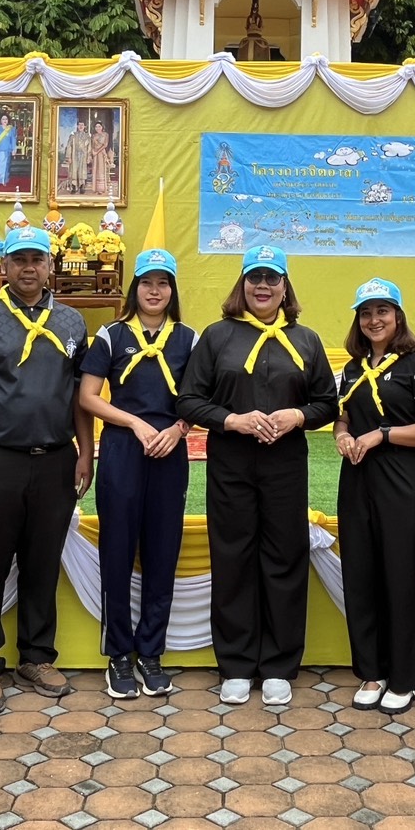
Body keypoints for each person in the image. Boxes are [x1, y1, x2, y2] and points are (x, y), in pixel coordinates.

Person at [177, 244, 338, 707]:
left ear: (285, 287)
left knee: (284, 557)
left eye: (272, 278)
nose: (263, 286)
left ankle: (280, 665)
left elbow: (327, 403)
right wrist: (233, 420)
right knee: (233, 557)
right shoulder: (217, 336)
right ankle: (236, 663)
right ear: (242, 284)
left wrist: (297, 416)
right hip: (230, 463)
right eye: (255, 278)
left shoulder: (306, 340)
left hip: (285, 464)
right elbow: (189, 399)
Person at [0, 226, 95, 714]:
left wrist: (86, 450)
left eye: (37, 259)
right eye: (19, 260)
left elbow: (79, 395)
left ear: (50, 266)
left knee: (42, 562)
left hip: (55, 459)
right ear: (4, 267)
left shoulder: (72, 321)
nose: (29, 268)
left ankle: (36, 656)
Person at [78, 249, 199, 699]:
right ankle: (118, 654)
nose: (154, 291)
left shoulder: (189, 338)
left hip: (170, 450)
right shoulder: (111, 336)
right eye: (147, 282)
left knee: (162, 552)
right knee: (117, 549)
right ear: (135, 288)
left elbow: (198, 398)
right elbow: (88, 397)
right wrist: (134, 423)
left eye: (163, 283)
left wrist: (179, 429)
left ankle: (151, 651)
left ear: (173, 290)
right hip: (122, 449)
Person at [332, 278, 415, 715]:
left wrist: (382, 434)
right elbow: (343, 417)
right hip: (357, 480)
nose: (374, 320)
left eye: (382, 311)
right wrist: (343, 436)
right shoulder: (351, 369)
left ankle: (404, 677)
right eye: (366, 313)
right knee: (360, 576)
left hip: (403, 482)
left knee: (400, 578)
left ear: (398, 317)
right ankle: (371, 672)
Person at [64, 118, 91, 194]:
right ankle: (74, 187)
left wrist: (88, 157)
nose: (81, 126)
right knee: (74, 171)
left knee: (82, 171)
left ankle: (82, 186)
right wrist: (69, 157)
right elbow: (69, 146)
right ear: (77, 126)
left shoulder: (87, 136)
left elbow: (89, 148)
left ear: (85, 126)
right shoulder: (73, 136)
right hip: (74, 155)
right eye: (79, 125)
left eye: (82, 125)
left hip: (83, 156)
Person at [0, 112, 17, 187]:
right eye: (3, 119)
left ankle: (4, 180)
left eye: (6, 119)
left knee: (6, 165)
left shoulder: (11, 129)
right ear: (0, 120)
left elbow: (13, 139)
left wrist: (14, 149)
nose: (5, 120)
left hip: (7, 150)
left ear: (8, 120)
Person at [90, 119, 113, 197]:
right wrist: (93, 152)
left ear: (102, 127)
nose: (98, 128)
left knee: (101, 170)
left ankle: (101, 189)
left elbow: (105, 145)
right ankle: (95, 188)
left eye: (99, 126)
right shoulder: (94, 135)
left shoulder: (105, 135)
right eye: (96, 127)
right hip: (95, 155)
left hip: (102, 154)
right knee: (95, 170)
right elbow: (92, 145)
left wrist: (97, 152)